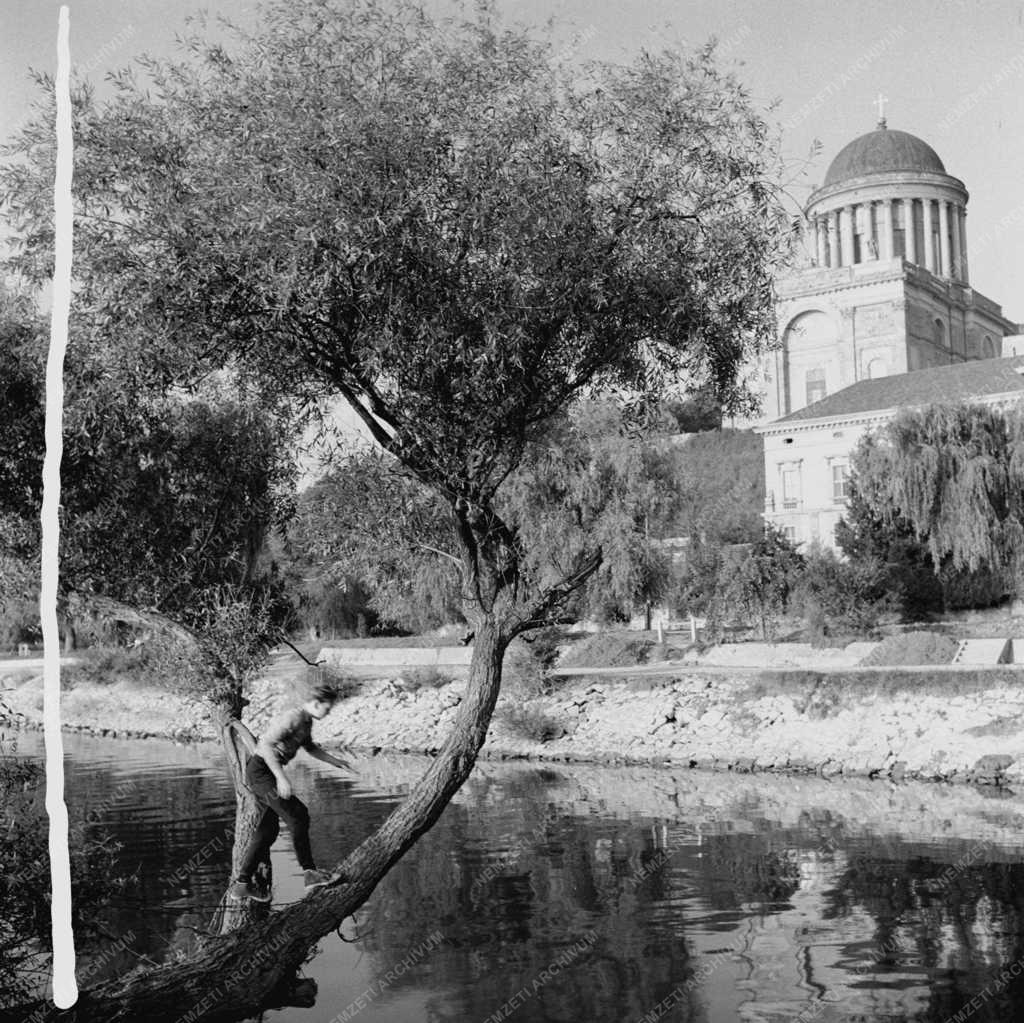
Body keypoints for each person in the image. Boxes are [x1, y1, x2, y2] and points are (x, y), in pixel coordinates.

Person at [229, 682, 352, 901]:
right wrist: (280, 777)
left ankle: (242, 884)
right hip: (262, 772)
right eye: (327, 707)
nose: (329, 711)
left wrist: (336, 761)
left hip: (263, 774)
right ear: (316, 703)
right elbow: (265, 745)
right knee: (298, 815)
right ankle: (310, 872)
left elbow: (311, 748)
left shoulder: (306, 722)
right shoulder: (294, 717)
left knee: (268, 831)